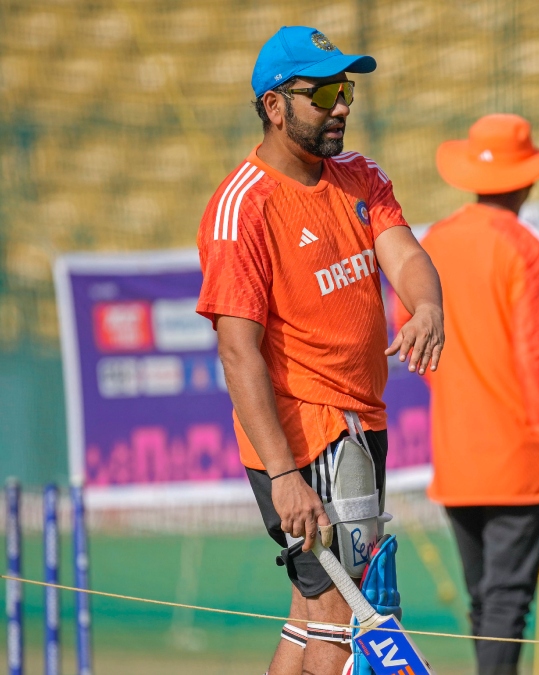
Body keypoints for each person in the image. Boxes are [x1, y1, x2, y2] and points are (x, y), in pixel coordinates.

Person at [195, 26, 444, 675]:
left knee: (310, 616)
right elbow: (238, 353)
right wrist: (284, 476)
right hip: (309, 435)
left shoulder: (360, 176)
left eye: (346, 90)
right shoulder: (242, 208)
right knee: (344, 621)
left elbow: (406, 255)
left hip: (360, 422)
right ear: (274, 106)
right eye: (324, 93)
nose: (342, 106)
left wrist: (427, 306)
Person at [401, 113, 539, 675]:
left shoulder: (432, 242)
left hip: (455, 451)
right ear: (527, 178)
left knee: (485, 599)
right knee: (506, 602)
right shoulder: (528, 248)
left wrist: (457, 386)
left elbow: (410, 337)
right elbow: (538, 360)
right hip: (518, 456)